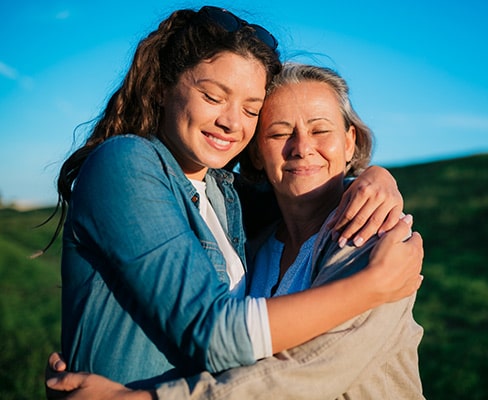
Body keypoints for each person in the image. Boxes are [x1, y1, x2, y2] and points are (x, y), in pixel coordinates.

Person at [49, 4, 423, 392]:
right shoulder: (127, 163)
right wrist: (373, 284)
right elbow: (213, 333)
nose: (231, 121)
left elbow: (304, 191)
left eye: (250, 109)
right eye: (213, 97)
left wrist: (372, 178)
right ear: (162, 88)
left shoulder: (227, 197)